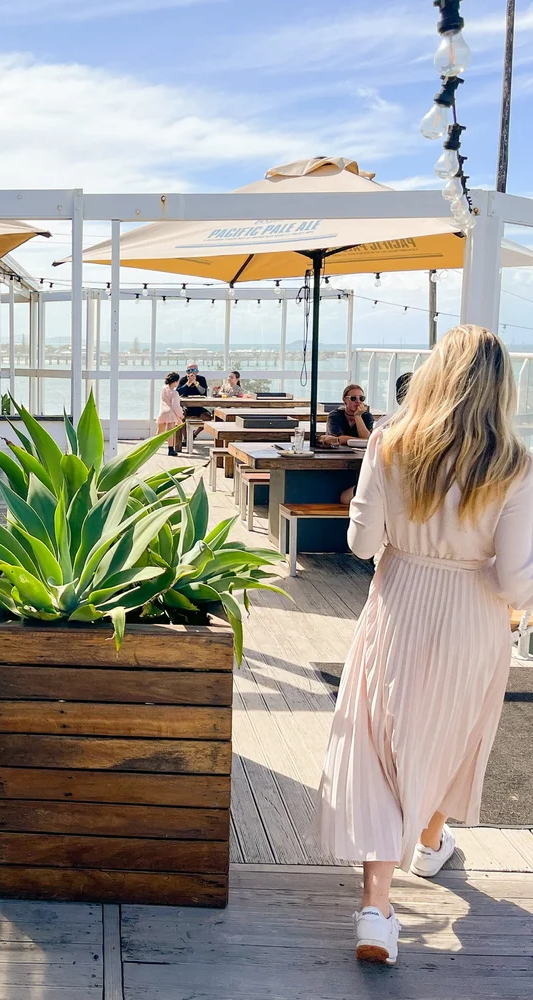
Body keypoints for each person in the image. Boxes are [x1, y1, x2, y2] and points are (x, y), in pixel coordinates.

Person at [314, 325, 533, 967]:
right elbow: (515, 581)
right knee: (452, 732)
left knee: (379, 747)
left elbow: (359, 545)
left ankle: (378, 911)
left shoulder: (388, 442)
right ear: (502, 389)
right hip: (474, 618)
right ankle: (432, 842)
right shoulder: (515, 465)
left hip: (399, 601)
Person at [157, 372, 184, 456]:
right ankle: (170, 449)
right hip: (170, 413)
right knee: (170, 432)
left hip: (162, 412)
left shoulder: (163, 389)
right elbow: (176, 406)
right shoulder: (175, 393)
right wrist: (181, 415)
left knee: (159, 431)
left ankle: (151, 447)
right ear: (175, 382)